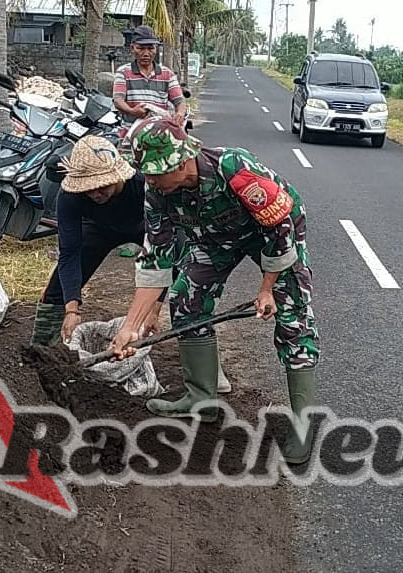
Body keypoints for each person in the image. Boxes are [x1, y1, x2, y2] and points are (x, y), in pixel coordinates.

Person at [107, 117, 319, 465]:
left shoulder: (234, 169)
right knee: (185, 300)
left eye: (157, 173)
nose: (152, 181)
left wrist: (266, 289)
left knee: (293, 316)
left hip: (273, 234)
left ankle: (303, 423)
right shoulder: (157, 191)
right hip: (215, 239)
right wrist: (131, 327)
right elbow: (156, 260)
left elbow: (281, 232)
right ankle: (201, 398)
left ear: (181, 161)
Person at [29, 134, 233, 397]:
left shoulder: (143, 186)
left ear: (118, 175)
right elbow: (69, 253)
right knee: (57, 288)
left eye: (102, 186)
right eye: (88, 188)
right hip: (99, 231)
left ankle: (209, 372)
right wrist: (72, 308)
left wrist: (154, 307)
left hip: (151, 230)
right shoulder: (70, 196)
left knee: (188, 290)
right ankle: (40, 359)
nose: (95, 193)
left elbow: (162, 253)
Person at [113, 25, 188, 127]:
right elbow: (118, 100)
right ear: (132, 48)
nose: (146, 53)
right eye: (141, 48)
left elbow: (180, 101)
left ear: (156, 49)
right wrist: (131, 111)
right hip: (129, 132)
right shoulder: (123, 72)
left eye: (150, 48)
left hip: (159, 133)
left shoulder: (167, 74)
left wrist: (180, 114)